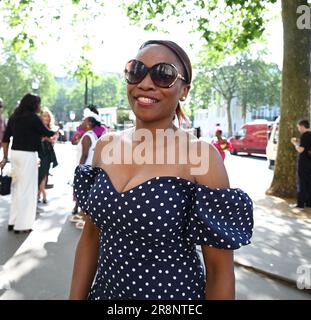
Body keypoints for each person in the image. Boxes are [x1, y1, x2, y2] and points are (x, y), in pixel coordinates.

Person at [69, 40, 253, 300]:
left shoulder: (201, 156)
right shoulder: (106, 146)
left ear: (184, 90)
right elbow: (90, 237)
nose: (145, 83)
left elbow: (219, 270)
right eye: (136, 70)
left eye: (163, 74)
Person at [0, 93, 57, 233]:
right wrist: (56, 130)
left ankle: (13, 222)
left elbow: (5, 139)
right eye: (38, 103)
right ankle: (23, 225)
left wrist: (5, 157)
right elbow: (48, 132)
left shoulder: (14, 117)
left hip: (15, 155)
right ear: (33, 104)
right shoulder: (33, 118)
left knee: (16, 188)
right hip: (28, 156)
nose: (39, 106)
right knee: (28, 190)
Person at [70, 116, 100, 229]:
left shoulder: (87, 136)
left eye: (84, 120)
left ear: (88, 124)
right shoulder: (92, 134)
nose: (82, 122)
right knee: (85, 194)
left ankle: (85, 219)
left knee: (83, 194)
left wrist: (79, 170)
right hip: (89, 167)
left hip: (84, 168)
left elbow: (85, 154)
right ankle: (83, 217)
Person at [38, 108, 58, 204]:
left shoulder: (53, 128)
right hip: (38, 153)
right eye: (44, 115)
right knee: (39, 175)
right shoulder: (37, 127)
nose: (46, 118)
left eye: (47, 116)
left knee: (43, 174)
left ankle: (42, 194)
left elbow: (53, 141)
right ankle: (40, 193)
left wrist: (46, 138)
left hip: (47, 154)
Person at [290, 119, 311, 209]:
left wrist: (295, 144)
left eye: (299, 127)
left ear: (302, 126)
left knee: (302, 183)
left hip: (304, 163)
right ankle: (309, 203)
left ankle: (300, 204)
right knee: (309, 183)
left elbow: (301, 150)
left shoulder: (305, 135)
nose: (298, 129)